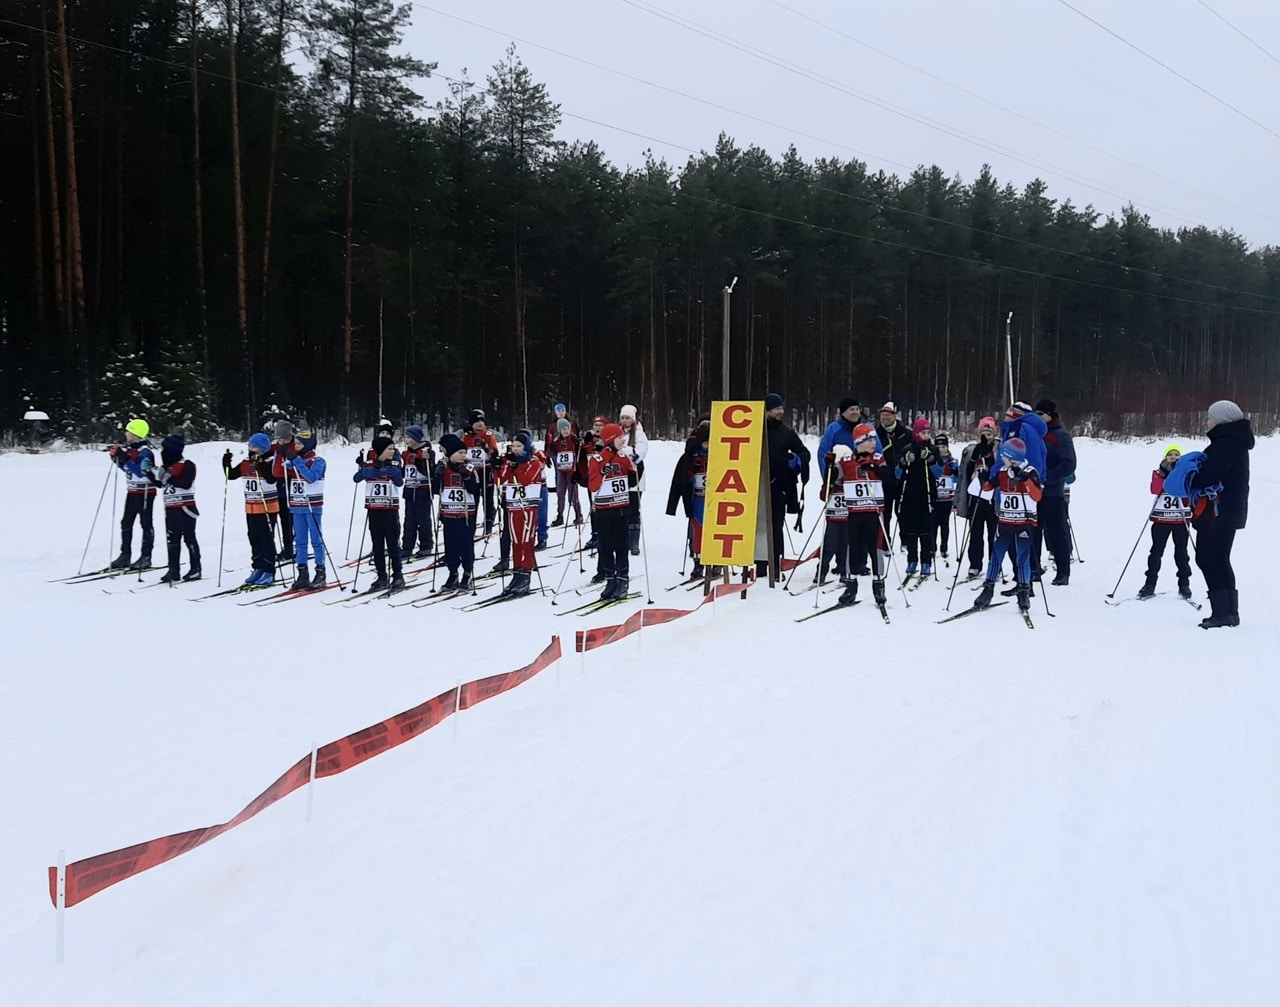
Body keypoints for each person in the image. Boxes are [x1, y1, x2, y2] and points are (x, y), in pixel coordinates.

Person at [1190, 400, 1254, 629]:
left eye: (1210, 417)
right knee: (1219, 558)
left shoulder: (1225, 445)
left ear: (1220, 420)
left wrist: (1188, 475)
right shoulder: (1235, 443)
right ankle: (1228, 612)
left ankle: (1222, 613)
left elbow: (1206, 477)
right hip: (1229, 511)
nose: (1207, 421)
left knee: (1207, 558)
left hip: (1217, 513)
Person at [974, 437, 1042, 615]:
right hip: (1004, 521)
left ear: (1011, 457)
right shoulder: (1003, 472)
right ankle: (987, 591)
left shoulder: (1030, 471)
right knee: (996, 556)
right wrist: (983, 480)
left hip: (1024, 522)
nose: (1001, 459)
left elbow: (1037, 496)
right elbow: (989, 488)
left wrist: (1025, 480)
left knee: (1022, 558)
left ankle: (1024, 591)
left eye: (1004, 456)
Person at [834, 424, 890, 609]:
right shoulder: (848, 460)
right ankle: (851, 586)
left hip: (874, 512)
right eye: (868, 440)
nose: (873, 443)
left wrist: (874, 466)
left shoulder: (878, 458)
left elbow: (889, 480)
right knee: (852, 547)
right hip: (855, 512)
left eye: (874, 439)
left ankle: (878, 585)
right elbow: (835, 479)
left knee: (876, 548)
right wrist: (830, 465)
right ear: (859, 443)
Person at [582, 422, 637, 601]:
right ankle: (610, 579)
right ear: (611, 439)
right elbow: (592, 485)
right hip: (604, 510)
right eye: (620, 437)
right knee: (605, 546)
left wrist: (636, 471)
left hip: (621, 508)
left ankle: (622, 579)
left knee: (622, 546)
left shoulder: (623, 457)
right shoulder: (597, 460)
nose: (623, 440)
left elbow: (633, 479)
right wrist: (601, 473)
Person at [223, 432, 280, 587]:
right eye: (250, 445)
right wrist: (226, 463)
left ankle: (269, 570)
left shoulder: (270, 461)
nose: (250, 448)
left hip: (268, 507)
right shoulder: (246, 462)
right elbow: (232, 475)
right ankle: (258, 567)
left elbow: (271, 478)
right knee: (253, 538)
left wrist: (260, 463)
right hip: (251, 507)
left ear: (262, 448)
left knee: (266, 539)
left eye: (254, 446)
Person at [274, 425, 327, 590]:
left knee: (316, 540)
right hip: (297, 506)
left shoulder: (318, 462)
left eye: (299, 444)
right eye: (294, 444)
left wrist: (296, 461)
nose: (295, 447)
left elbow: (311, 477)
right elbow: (277, 472)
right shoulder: (293, 462)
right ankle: (302, 572)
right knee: (300, 541)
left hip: (312, 506)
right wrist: (280, 454)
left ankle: (320, 572)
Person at [764, 392, 811, 578]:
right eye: (776, 408)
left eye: (781, 408)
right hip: (754, 487)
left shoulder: (787, 433)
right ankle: (759, 566)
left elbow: (804, 453)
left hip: (779, 487)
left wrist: (793, 461)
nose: (780, 411)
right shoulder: (754, 430)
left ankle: (776, 567)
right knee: (758, 527)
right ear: (766, 410)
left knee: (776, 526)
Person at [495, 431, 545, 597]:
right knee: (515, 541)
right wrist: (500, 466)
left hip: (528, 507)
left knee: (526, 540)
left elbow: (526, 479)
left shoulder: (534, 463)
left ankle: (526, 574)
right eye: (513, 446)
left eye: (519, 446)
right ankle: (517, 573)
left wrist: (516, 466)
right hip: (513, 507)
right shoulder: (510, 463)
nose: (515, 450)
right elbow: (500, 480)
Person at [1140, 445, 1193, 601]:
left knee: (1181, 553)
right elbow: (1155, 489)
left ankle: (1184, 585)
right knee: (1156, 552)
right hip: (1161, 519)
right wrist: (1166, 476)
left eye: (1176, 454)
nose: (1173, 457)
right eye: (1170, 454)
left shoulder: (1186, 474)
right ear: (1165, 457)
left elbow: (1187, 492)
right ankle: (1149, 584)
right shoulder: (1158, 473)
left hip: (1180, 519)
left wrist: (1179, 475)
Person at [353, 435, 405, 593]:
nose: (393, 451)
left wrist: (395, 474)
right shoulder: (370, 464)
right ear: (381, 450)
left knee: (393, 544)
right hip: (374, 510)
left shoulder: (394, 464)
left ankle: (398, 575)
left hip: (390, 510)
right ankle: (382, 575)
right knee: (377, 544)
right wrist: (365, 472)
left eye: (393, 448)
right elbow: (356, 478)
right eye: (389, 448)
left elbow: (399, 481)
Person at [1036, 399, 1077, 586]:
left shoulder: (1061, 435)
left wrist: (1048, 478)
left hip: (1053, 492)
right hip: (1033, 491)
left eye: (1041, 414)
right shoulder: (1034, 433)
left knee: (1057, 532)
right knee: (1033, 531)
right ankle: (1033, 568)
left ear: (1050, 415)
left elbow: (1069, 464)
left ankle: (1063, 572)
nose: (1038, 417)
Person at [433, 433, 481, 591]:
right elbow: (434, 490)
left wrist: (466, 477)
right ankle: (453, 573)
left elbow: (475, 490)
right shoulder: (443, 467)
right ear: (450, 454)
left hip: (466, 514)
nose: (463, 455)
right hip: (449, 514)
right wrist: (437, 474)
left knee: (466, 545)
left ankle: (467, 573)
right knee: (450, 546)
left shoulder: (469, 467)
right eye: (459, 453)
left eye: (464, 452)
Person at [108, 418, 157, 570]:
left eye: (128, 431)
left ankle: (146, 557)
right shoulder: (132, 451)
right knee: (126, 523)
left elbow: (142, 472)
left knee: (145, 523)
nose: (126, 434)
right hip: (132, 491)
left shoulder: (146, 453)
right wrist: (118, 460)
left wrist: (125, 459)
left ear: (135, 434)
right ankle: (125, 555)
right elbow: (129, 470)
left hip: (145, 492)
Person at [151, 434, 201, 583]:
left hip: (186, 507)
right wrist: (149, 473)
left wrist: (169, 478)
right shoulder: (166, 467)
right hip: (170, 507)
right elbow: (160, 483)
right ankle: (173, 569)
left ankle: (195, 568)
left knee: (189, 538)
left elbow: (185, 483)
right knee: (172, 539)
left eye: (166, 449)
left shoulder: (187, 464)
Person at [666, 415, 710, 578]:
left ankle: (717, 562)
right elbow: (680, 480)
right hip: (697, 499)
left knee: (715, 532)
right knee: (697, 531)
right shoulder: (690, 455)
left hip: (715, 501)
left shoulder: (721, 455)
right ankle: (698, 563)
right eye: (705, 443)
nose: (708, 446)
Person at [956, 416, 999, 579]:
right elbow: (963, 475)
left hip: (993, 497)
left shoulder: (999, 449)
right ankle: (975, 564)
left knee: (993, 533)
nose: (986, 436)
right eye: (983, 432)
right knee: (975, 532)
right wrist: (958, 499)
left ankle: (994, 563)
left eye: (989, 433)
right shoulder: (971, 450)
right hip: (975, 497)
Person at [895, 417, 938, 576]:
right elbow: (898, 474)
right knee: (911, 530)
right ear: (916, 433)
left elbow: (938, 472)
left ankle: (926, 561)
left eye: (928, 432)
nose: (926, 436)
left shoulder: (932, 450)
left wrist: (930, 460)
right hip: (909, 495)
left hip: (927, 495)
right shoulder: (907, 449)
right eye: (923, 432)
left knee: (926, 531)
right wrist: (904, 462)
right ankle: (912, 560)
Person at [875, 401, 913, 541]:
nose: (885, 418)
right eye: (882, 415)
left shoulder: (906, 433)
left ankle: (906, 540)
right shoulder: (876, 434)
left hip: (903, 480)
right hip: (884, 480)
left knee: (903, 512)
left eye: (887, 415)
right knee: (885, 514)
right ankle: (885, 542)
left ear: (894, 416)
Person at [400, 425, 435, 561]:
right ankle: (407, 546)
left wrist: (420, 460)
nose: (406, 440)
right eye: (406, 437)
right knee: (409, 520)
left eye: (409, 437)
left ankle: (426, 545)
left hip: (423, 491)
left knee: (423, 519)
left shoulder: (426, 452)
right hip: (409, 490)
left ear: (416, 438)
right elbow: (404, 472)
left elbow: (429, 472)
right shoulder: (406, 453)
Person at [462, 409, 500, 535]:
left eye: (481, 421)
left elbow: (494, 453)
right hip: (472, 471)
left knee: (487, 498)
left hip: (486, 470)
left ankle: (488, 521)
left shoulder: (488, 434)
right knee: (473, 498)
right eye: (476, 421)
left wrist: (486, 448)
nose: (479, 424)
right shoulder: (466, 436)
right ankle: (471, 524)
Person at [619, 404, 649, 556]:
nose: (625, 421)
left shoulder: (639, 434)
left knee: (633, 510)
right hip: (620, 477)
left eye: (627, 418)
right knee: (622, 510)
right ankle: (623, 538)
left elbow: (641, 453)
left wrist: (627, 451)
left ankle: (634, 541)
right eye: (623, 418)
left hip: (635, 476)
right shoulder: (618, 433)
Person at [816, 397, 862, 484]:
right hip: (840, 480)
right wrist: (827, 479)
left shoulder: (867, 427)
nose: (855, 412)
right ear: (843, 413)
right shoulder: (833, 429)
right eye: (851, 409)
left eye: (857, 409)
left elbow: (878, 451)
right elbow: (823, 454)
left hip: (864, 479)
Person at [267, 419, 295, 561]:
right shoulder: (276, 447)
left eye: (284, 439)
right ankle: (271, 549)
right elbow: (266, 451)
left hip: (288, 485)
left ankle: (289, 547)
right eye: (278, 439)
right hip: (276, 486)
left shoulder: (293, 447)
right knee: (274, 518)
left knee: (287, 518)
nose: (281, 442)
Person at [547, 417, 583, 527]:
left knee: (573, 493)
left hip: (571, 470)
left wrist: (578, 443)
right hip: (561, 470)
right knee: (560, 492)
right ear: (560, 430)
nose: (566, 430)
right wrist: (550, 445)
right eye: (564, 429)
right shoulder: (557, 441)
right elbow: (551, 453)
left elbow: (580, 448)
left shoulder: (573, 438)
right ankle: (560, 515)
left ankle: (578, 514)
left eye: (568, 428)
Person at [930, 433, 958, 563]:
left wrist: (955, 471)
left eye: (943, 446)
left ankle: (944, 546)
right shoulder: (932, 461)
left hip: (947, 498)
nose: (941, 449)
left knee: (945, 524)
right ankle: (932, 547)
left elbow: (958, 479)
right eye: (939, 447)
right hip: (935, 499)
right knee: (933, 524)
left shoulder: (951, 462)